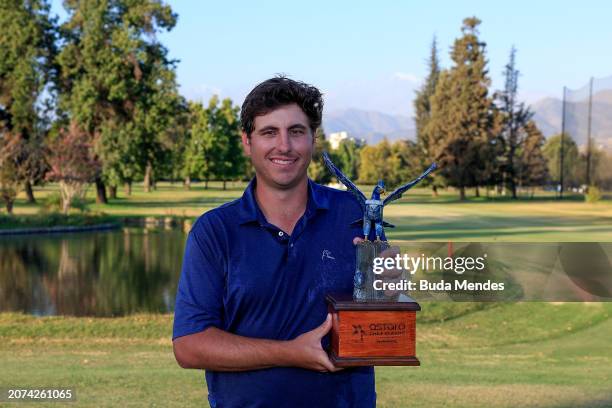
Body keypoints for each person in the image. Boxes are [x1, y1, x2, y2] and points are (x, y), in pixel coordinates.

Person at [172, 76, 376, 407]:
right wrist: (290, 353)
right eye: (269, 132)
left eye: (296, 131)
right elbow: (189, 345)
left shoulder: (353, 214)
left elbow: (377, 314)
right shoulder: (214, 231)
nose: (284, 145)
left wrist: (388, 288)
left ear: (313, 139)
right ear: (247, 142)